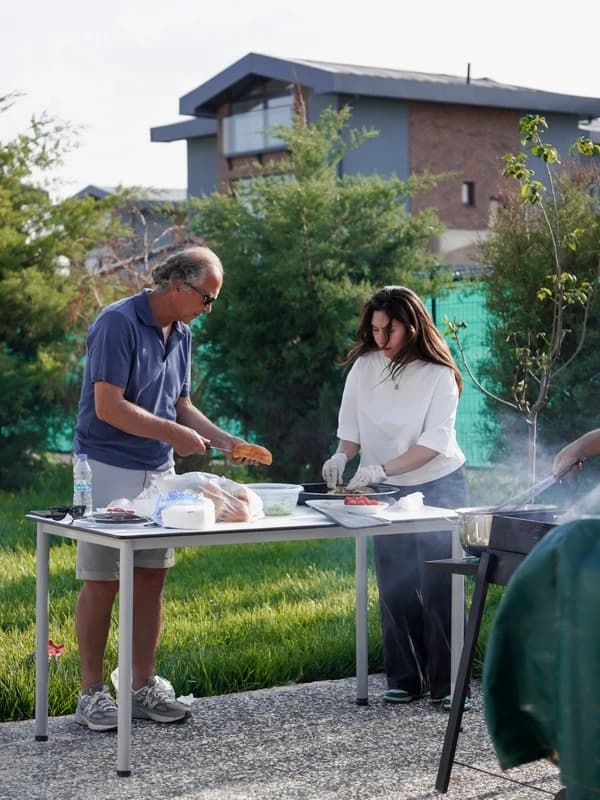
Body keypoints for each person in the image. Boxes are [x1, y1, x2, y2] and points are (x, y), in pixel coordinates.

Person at [73, 245, 259, 732]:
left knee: (151, 576)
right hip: (106, 465)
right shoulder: (116, 323)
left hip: (159, 471)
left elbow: (181, 403)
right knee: (103, 578)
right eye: (207, 297)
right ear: (178, 287)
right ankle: (91, 693)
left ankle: (140, 688)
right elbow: (109, 407)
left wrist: (223, 439)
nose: (209, 307)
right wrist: (173, 435)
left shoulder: (182, 333)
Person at [321, 285, 468, 707]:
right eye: (375, 330)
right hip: (381, 489)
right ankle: (405, 677)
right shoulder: (364, 368)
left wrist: (381, 468)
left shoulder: (439, 375)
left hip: (438, 481)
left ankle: (449, 686)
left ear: (413, 326)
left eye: (390, 331)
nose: (381, 340)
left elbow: (434, 444)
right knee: (394, 582)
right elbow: (350, 432)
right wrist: (341, 456)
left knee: (440, 583)